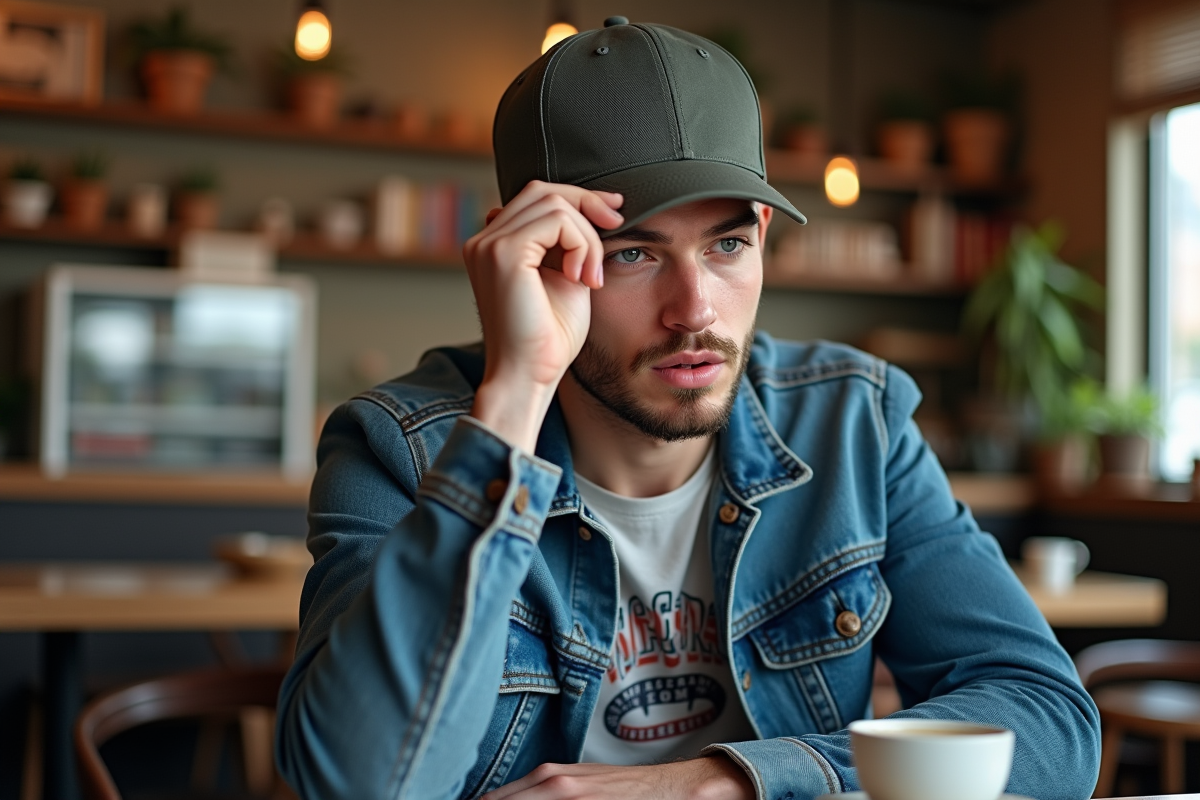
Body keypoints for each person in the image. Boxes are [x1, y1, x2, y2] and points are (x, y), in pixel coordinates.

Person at [275, 18, 1100, 800]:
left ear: (764, 237)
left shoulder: (854, 420)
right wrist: (517, 390)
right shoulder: (397, 447)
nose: (696, 309)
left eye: (727, 245)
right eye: (632, 252)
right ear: (524, 259)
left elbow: (1048, 720)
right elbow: (360, 783)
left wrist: (725, 780)